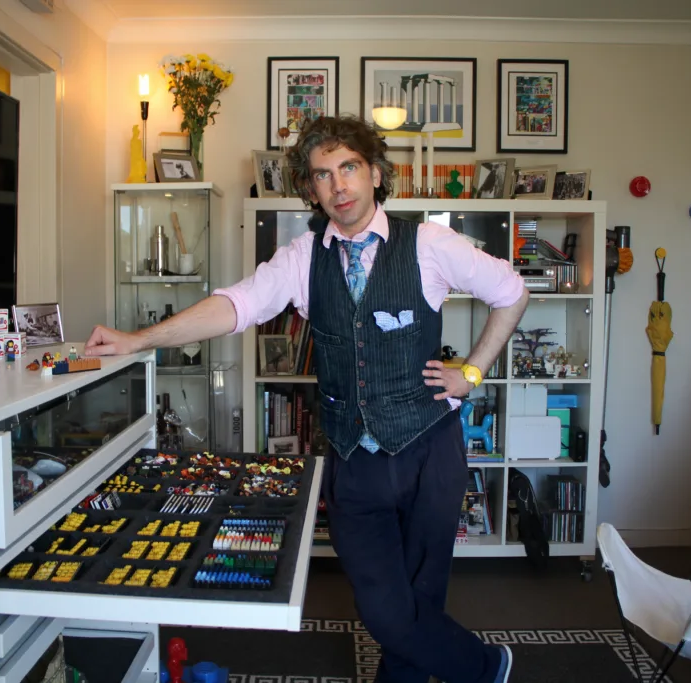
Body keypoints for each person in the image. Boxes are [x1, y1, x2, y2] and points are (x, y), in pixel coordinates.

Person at [85, 114, 529, 683]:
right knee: (384, 610)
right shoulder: (301, 258)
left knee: (421, 601)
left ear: (374, 173)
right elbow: (235, 305)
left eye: (349, 168)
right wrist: (138, 339)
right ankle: (489, 666)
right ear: (310, 187)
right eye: (323, 175)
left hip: (429, 450)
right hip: (354, 459)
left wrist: (471, 370)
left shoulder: (430, 243)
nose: (338, 185)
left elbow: (511, 291)